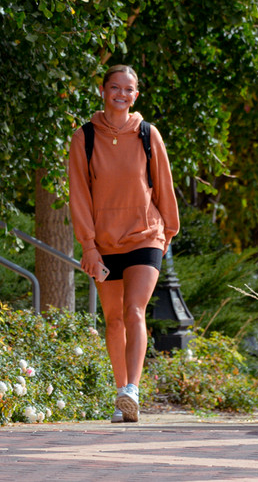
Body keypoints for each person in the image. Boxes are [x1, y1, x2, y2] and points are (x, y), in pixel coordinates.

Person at [68, 65, 180, 423]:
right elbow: (79, 196)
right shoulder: (83, 138)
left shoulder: (148, 134)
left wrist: (169, 232)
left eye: (128, 89)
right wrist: (88, 244)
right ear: (102, 90)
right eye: (114, 87)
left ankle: (133, 387)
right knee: (113, 320)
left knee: (134, 310)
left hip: (146, 234)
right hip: (103, 241)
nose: (121, 94)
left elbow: (163, 185)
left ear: (136, 94)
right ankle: (122, 397)